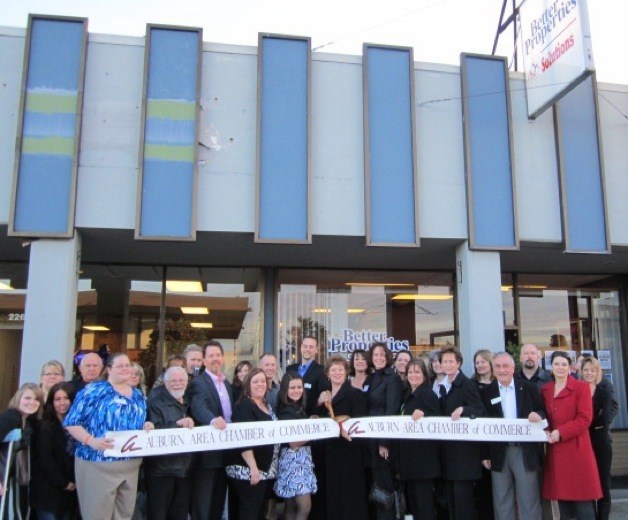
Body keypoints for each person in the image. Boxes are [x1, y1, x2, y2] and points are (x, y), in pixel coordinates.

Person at [64, 352, 152, 520]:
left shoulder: (137, 395)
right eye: (120, 366)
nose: (126, 369)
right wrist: (91, 441)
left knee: (124, 515)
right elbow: (72, 423)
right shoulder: (95, 390)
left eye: (128, 365)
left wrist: (146, 425)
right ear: (109, 369)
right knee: (97, 515)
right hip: (98, 463)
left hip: (130, 465)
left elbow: (136, 421)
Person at [480, 352, 545, 520]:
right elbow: (483, 424)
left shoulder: (529, 388)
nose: (502, 370)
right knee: (502, 500)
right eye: (498, 367)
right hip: (498, 453)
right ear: (493, 370)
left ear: (513, 368)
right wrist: (485, 453)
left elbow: (543, 412)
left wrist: (538, 415)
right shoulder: (487, 392)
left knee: (528, 499)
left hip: (523, 451)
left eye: (505, 366)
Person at [541, 350, 602, 519]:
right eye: (556, 364)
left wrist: (560, 432)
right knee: (564, 506)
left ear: (570, 367)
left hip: (577, 451)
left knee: (584, 507)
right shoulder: (545, 390)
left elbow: (584, 419)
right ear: (550, 367)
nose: (560, 367)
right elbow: (543, 417)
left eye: (564, 364)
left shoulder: (581, 387)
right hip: (556, 453)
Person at [437, 346, 485, 520]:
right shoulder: (442, 385)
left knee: (463, 502)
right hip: (448, 452)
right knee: (452, 502)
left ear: (458, 363)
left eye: (451, 361)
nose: (448, 364)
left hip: (464, 455)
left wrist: (464, 409)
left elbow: (480, 411)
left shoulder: (467, 384)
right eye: (445, 361)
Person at [318, 355, 368, 520]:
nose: (337, 373)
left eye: (340, 369)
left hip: (349, 453)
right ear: (328, 374)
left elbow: (359, 424)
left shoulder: (355, 394)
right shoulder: (324, 397)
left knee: (350, 497)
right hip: (329, 453)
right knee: (333, 496)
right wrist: (319, 403)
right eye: (333, 370)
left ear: (347, 373)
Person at [226, 368, 279, 520]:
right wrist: (253, 467)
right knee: (250, 512)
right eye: (255, 381)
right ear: (247, 385)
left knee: (259, 511)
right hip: (248, 470)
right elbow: (243, 438)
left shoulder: (266, 405)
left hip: (265, 470)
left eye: (263, 381)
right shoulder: (244, 406)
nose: (260, 384)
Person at [188, 340, 233, 520]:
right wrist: (213, 420)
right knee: (203, 502)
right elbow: (199, 407)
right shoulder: (199, 383)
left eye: (218, 355)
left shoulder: (226, 383)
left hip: (226, 451)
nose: (215, 359)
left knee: (218, 501)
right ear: (204, 361)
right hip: (207, 455)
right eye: (211, 356)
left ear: (222, 358)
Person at [145, 366, 195, 520]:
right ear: (165, 383)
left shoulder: (189, 400)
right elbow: (153, 433)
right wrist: (178, 424)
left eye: (181, 380)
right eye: (173, 381)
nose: (177, 384)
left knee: (179, 514)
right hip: (161, 471)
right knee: (158, 514)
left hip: (184, 470)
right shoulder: (155, 401)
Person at [398, 359, 441, 520]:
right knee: (415, 506)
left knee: (424, 507)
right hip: (410, 461)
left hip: (423, 462)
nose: (413, 375)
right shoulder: (407, 395)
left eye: (417, 372)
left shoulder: (427, 394)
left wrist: (424, 415)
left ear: (424, 375)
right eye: (410, 372)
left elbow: (436, 419)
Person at [364, 341, 403, 520]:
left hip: (383, 443)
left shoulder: (392, 378)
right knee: (376, 486)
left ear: (387, 357)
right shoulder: (372, 378)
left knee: (385, 488)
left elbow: (392, 410)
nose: (378, 358)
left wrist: (384, 443)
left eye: (382, 354)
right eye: (375, 355)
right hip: (371, 441)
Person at [30, 382, 78, 520]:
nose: (62, 403)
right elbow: (45, 458)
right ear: (51, 401)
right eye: (57, 399)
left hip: (70, 492)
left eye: (66, 398)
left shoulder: (77, 425)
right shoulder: (44, 425)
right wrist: (64, 483)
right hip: (48, 491)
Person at [274, 373, 317, 520]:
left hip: (301, 459)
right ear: (285, 389)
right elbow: (293, 442)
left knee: (290, 505)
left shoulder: (297, 407)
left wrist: (310, 421)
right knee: (305, 506)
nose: (296, 390)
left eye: (299, 387)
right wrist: (316, 431)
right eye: (292, 387)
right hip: (293, 461)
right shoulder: (286, 411)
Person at [579, 356, 616, 520]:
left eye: (592, 370)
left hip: (600, 439)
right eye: (586, 370)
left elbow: (608, 414)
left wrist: (591, 421)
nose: (589, 373)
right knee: (587, 481)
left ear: (597, 372)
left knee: (603, 481)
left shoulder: (604, 389)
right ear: (581, 372)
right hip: (582, 438)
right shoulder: (578, 388)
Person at [0, 383, 44, 501]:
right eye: (27, 398)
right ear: (18, 398)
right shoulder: (11, 417)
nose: (32, 402)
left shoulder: (27, 421)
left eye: (36, 399)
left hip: (11, 479)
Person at [286, 336, 327, 416]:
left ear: (316, 350)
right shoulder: (290, 369)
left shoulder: (321, 371)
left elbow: (321, 399)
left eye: (311, 347)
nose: (307, 349)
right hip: (290, 417)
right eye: (305, 346)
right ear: (301, 348)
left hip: (310, 419)